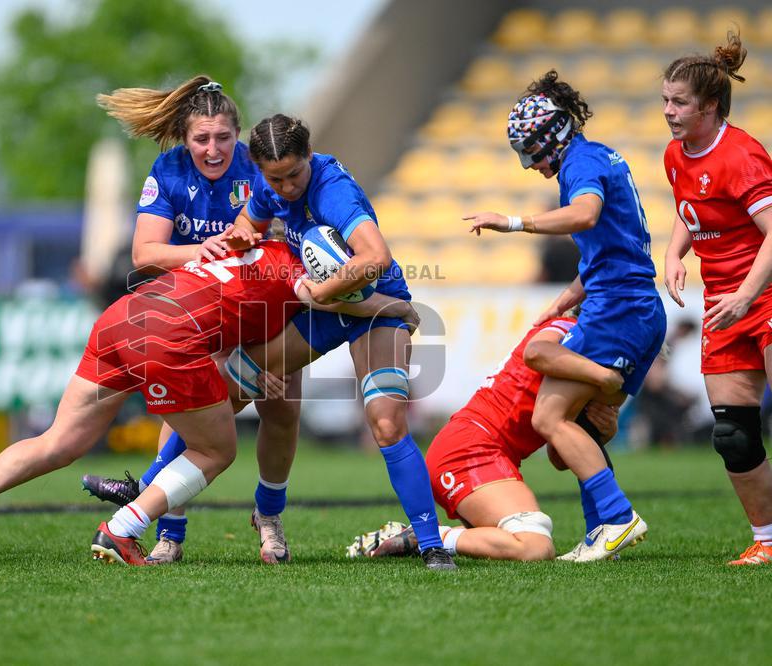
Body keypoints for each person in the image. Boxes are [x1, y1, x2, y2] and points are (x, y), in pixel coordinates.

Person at [0, 239, 416, 566]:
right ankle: (123, 527)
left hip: (124, 315)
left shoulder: (259, 246)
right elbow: (331, 299)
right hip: (169, 339)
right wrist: (399, 307)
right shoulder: (303, 284)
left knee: (57, 441)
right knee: (216, 450)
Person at [223, 114, 456, 571]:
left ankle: (431, 544)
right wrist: (244, 234)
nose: (287, 186)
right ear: (260, 169)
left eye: (295, 174)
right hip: (323, 310)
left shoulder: (334, 191)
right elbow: (245, 224)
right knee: (229, 387)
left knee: (386, 422)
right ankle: (152, 494)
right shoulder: (267, 184)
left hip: (377, 305)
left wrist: (318, 293)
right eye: (276, 178)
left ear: (310, 156)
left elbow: (375, 257)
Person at [91, 76, 304, 564]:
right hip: (194, 308)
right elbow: (144, 253)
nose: (213, 149)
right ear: (186, 140)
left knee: (284, 407)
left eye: (223, 138)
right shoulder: (167, 170)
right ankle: (171, 530)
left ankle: (268, 516)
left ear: (238, 134)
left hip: (261, 305)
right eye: (202, 139)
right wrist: (198, 252)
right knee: (186, 415)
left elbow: (287, 237)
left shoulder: (258, 167)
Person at [464, 71, 666, 561]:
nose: (530, 164)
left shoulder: (580, 164)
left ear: (553, 135)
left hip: (618, 309)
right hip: (637, 305)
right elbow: (614, 247)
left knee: (549, 415)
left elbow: (586, 214)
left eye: (531, 150)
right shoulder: (599, 155)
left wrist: (514, 222)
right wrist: (567, 297)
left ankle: (617, 517)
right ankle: (604, 530)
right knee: (580, 432)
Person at [346, 314, 622, 561]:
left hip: (478, 447)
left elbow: (559, 458)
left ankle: (432, 535)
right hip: (469, 450)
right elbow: (536, 353)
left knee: (521, 542)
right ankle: (425, 536)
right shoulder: (573, 337)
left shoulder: (580, 339)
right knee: (533, 545)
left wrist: (602, 431)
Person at [661, 31, 772, 566]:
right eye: (665, 100)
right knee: (732, 433)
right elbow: (692, 211)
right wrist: (674, 254)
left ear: (709, 106)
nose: (669, 111)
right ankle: (767, 542)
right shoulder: (675, 155)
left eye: (679, 102)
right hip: (724, 304)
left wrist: (749, 295)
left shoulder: (743, 155)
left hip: (764, 296)